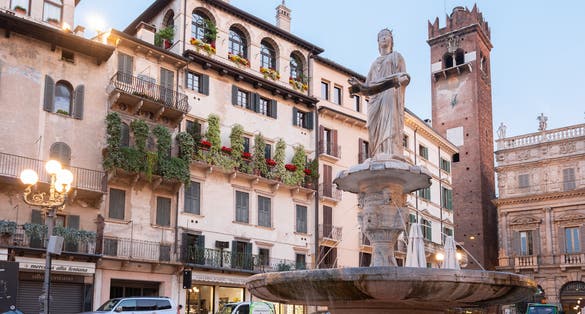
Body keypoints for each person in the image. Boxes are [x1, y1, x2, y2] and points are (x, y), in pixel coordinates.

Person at [349, 28, 410, 160]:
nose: (384, 38)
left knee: (389, 124)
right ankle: (377, 152)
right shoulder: (374, 63)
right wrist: (358, 84)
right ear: (377, 42)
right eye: (381, 36)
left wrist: (400, 80)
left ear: (391, 40)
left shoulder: (396, 57)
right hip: (375, 100)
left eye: (386, 35)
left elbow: (404, 76)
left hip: (389, 94)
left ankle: (390, 151)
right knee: (373, 127)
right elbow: (368, 86)